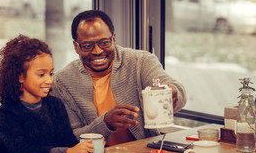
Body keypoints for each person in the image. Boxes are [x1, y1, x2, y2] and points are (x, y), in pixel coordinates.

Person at [51, 10, 187, 145]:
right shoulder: (62, 81)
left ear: (113, 39)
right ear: (76, 47)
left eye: (104, 42)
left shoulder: (140, 61)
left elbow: (171, 85)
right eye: (87, 46)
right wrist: (105, 123)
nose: (97, 51)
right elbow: (72, 137)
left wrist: (173, 92)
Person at [0, 34, 94, 153]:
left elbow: (68, 142)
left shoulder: (56, 105)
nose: (49, 80)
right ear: (20, 76)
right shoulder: (6, 113)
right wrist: (67, 152)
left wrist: (86, 146)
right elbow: (22, 152)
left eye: (51, 73)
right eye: (41, 74)